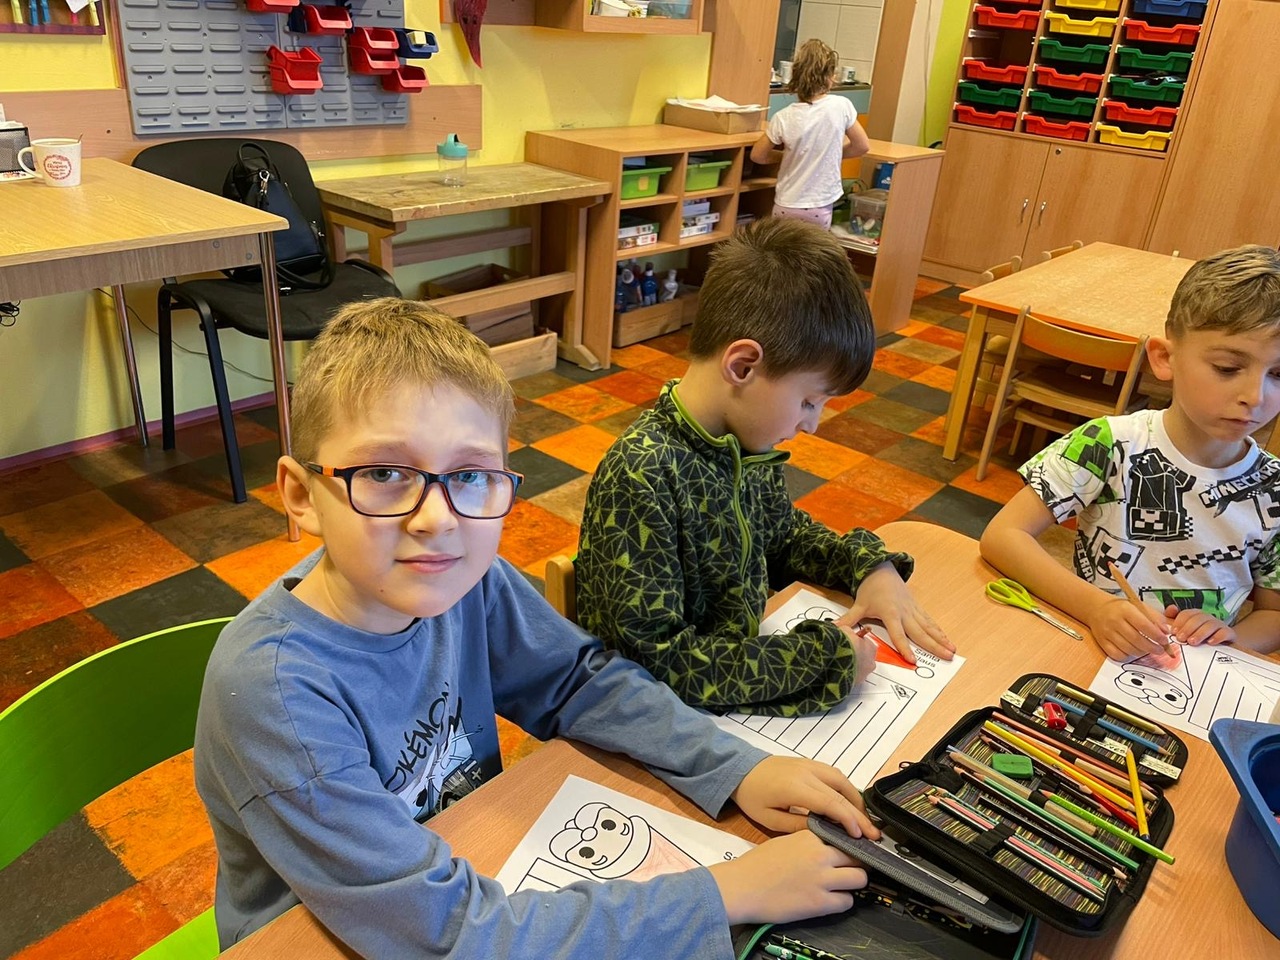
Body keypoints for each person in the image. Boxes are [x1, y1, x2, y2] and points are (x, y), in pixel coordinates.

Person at [193, 297, 882, 957]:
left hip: (456, 866)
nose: (436, 519)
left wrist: (734, 767)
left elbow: (578, 682)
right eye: (383, 472)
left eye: (470, 475)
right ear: (300, 495)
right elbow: (452, 937)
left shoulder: (465, 582)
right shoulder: (275, 691)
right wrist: (723, 893)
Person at [576, 218, 953, 718]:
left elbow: (781, 538)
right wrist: (823, 659)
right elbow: (658, 663)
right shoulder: (641, 474)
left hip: (726, 707)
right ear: (743, 366)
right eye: (809, 401)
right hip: (654, 722)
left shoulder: (745, 445)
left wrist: (869, 567)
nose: (812, 424)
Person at [981, 244, 1280, 660]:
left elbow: (1274, 612)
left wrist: (1232, 640)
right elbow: (1002, 536)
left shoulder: (1274, 489)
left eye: (1278, 374)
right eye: (1228, 368)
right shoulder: (1107, 444)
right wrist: (1097, 608)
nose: (1255, 396)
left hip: (1189, 674)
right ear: (1165, 358)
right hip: (1088, 649)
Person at [750, 38, 870, 229]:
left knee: (782, 247)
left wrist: (786, 156)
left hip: (786, 203)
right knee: (812, 248)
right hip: (819, 205)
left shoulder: (783, 117)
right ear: (830, 77)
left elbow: (758, 155)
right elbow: (862, 146)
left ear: (795, 76)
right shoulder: (841, 106)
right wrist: (828, 155)